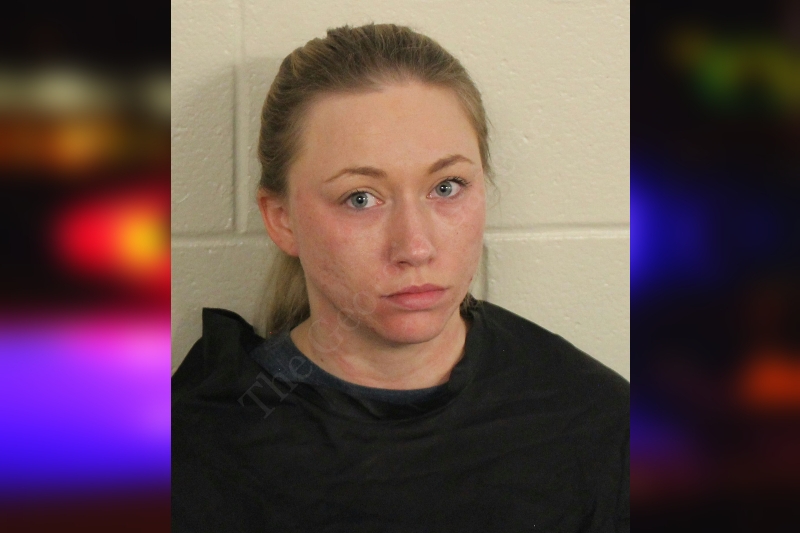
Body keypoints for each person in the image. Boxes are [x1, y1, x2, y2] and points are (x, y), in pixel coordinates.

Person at [172, 23, 629, 532]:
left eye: (447, 187)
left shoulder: (596, 425)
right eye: (360, 198)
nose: (415, 247)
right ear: (282, 220)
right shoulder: (198, 448)